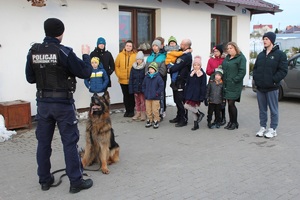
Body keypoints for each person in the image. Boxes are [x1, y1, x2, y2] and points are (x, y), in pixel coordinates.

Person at [25, 18, 93, 193]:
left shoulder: (33, 51)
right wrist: (86, 54)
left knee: (43, 143)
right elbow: (85, 72)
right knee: (70, 143)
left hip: (43, 105)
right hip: (63, 105)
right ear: (61, 33)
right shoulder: (64, 52)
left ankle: (45, 180)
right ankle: (76, 182)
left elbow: (30, 78)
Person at [253, 32, 288, 138]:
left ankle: (273, 129)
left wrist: (273, 80)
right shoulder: (261, 55)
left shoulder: (280, 54)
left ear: (272, 41)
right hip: (261, 87)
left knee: (273, 109)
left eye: (267, 39)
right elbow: (255, 69)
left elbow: (283, 71)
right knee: (262, 109)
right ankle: (262, 127)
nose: (264, 41)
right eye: (263, 39)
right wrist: (257, 80)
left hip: (272, 87)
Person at [222, 42, 246, 130]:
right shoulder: (227, 58)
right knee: (229, 104)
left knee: (232, 103)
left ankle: (234, 122)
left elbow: (242, 71)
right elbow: (223, 67)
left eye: (231, 48)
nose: (229, 50)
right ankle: (231, 121)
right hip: (226, 84)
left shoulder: (241, 58)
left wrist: (234, 80)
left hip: (234, 85)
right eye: (228, 48)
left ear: (235, 48)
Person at [168, 39, 193, 127]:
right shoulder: (181, 53)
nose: (180, 45)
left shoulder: (186, 56)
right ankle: (178, 116)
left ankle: (183, 119)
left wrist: (169, 69)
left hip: (181, 81)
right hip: (176, 81)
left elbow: (176, 67)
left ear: (186, 46)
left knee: (181, 101)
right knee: (176, 100)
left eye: (182, 44)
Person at [115, 40, 137, 117]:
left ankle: (131, 111)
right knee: (125, 96)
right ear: (125, 46)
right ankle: (127, 110)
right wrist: (119, 74)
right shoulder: (120, 55)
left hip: (132, 80)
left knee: (131, 96)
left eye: (130, 46)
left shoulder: (135, 55)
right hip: (122, 79)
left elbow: (138, 66)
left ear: (132, 47)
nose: (128, 47)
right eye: (127, 45)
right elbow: (116, 66)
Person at [146, 39, 167, 120]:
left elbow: (163, 70)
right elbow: (146, 69)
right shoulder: (149, 57)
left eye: (156, 46)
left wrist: (155, 76)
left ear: (159, 47)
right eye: (153, 46)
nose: (154, 47)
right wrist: (148, 76)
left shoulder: (163, 56)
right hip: (150, 80)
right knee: (151, 96)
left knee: (160, 96)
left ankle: (160, 112)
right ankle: (151, 114)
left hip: (159, 79)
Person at [183, 56, 206, 131]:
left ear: (200, 65)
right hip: (189, 93)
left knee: (194, 108)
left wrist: (202, 96)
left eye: (198, 65)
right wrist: (185, 94)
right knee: (186, 106)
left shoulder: (202, 74)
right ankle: (199, 113)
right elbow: (187, 84)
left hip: (197, 94)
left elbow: (203, 86)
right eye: (195, 65)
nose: (196, 66)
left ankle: (196, 124)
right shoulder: (191, 73)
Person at [206, 44, 226, 125]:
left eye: (217, 51)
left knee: (221, 100)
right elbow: (208, 71)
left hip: (221, 81)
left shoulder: (224, 60)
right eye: (214, 51)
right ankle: (215, 118)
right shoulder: (211, 60)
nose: (215, 53)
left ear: (221, 52)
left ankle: (222, 117)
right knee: (214, 100)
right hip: (213, 81)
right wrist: (214, 70)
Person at [142, 62, 164, 129]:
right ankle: (149, 119)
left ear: (155, 70)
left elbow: (161, 86)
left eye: (152, 69)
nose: (150, 70)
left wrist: (157, 93)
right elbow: (143, 85)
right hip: (148, 96)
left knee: (155, 109)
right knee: (148, 109)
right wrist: (145, 92)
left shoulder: (158, 78)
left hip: (155, 97)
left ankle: (156, 120)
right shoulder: (146, 77)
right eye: (149, 69)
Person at [129, 51, 146, 121]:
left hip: (142, 88)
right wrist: (131, 88)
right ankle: (138, 112)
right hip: (135, 88)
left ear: (142, 60)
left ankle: (143, 113)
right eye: (137, 59)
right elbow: (131, 78)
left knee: (143, 101)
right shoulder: (133, 67)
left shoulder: (144, 67)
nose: (138, 60)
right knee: (137, 101)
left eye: (140, 59)